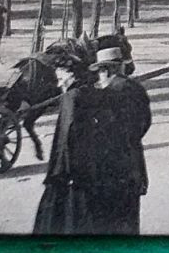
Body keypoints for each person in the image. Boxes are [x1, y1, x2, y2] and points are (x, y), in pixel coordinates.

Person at [33, 39, 106, 235]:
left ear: (70, 73)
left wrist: (62, 171)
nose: (58, 81)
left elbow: (68, 138)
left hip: (69, 173)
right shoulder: (89, 92)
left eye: (60, 75)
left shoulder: (72, 97)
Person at [91, 44, 153, 234]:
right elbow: (145, 122)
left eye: (100, 72)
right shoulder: (137, 89)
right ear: (120, 67)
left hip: (105, 168)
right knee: (130, 219)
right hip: (132, 165)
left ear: (106, 70)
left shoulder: (100, 95)